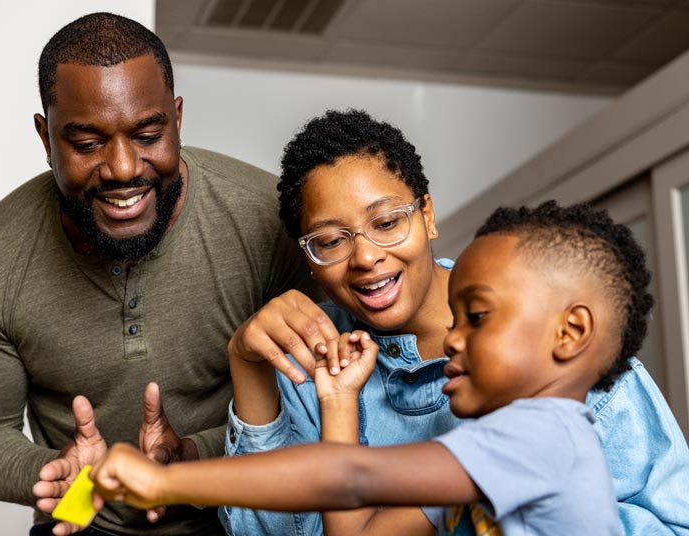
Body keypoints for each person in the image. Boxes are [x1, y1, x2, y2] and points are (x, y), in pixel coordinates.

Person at [0, 12, 320, 536]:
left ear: (177, 120)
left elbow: (323, 401)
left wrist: (192, 454)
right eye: (87, 143)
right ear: (46, 137)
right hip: (80, 518)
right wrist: (53, 473)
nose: (122, 168)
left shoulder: (271, 222)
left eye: (147, 133)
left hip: (235, 514)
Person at [220, 109, 689, 535]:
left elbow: (674, 522)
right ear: (309, 257)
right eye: (330, 241)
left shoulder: (556, 346)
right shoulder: (309, 353)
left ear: (427, 215)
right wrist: (247, 366)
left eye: (386, 223)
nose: (365, 256)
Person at [89, 200, 647, 535]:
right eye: (454, 318)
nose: (451, 338)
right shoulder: (488, 454)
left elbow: (349, 480)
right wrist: (338, 403)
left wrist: (165, 481)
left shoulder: (542, 436)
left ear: (570, 333)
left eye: (476, 316)